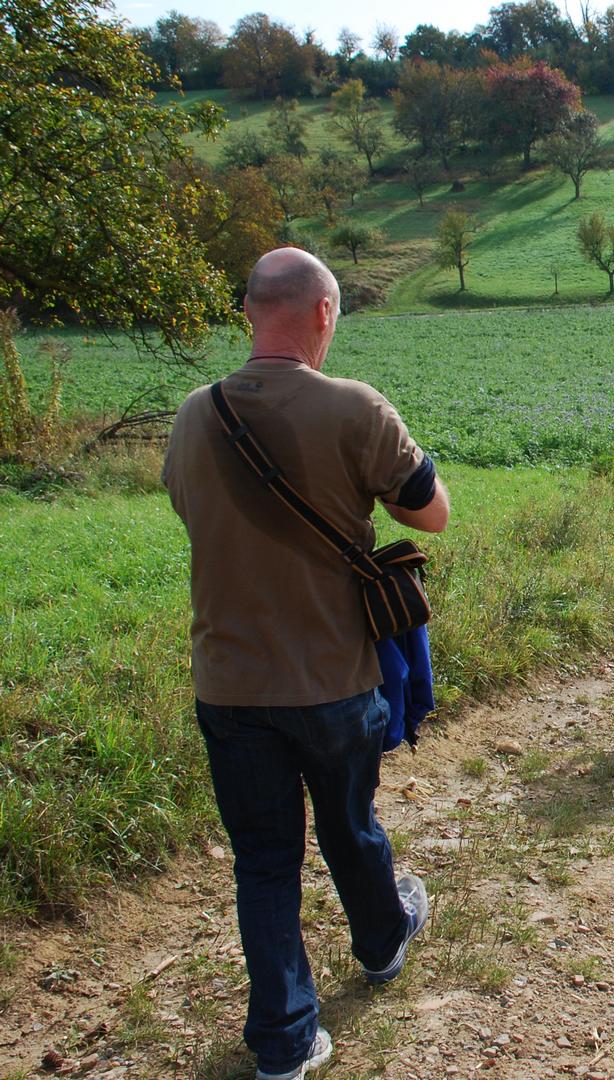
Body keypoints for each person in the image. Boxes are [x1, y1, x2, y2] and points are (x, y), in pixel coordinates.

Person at [163, 247, 449, 1080]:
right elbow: (430, 514)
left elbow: (187, 507)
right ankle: (382, 943)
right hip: (332, 678)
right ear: (324, 313)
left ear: (249, 311)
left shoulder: (196, 414)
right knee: (350, 824)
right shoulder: (355, 407)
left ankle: (285, 1044)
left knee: (263, 861)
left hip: (228, 683)